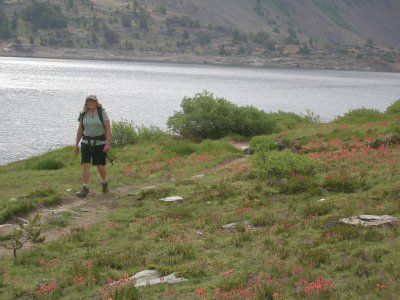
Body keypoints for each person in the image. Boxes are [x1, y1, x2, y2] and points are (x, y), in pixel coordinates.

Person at [75, 95, 111, 197]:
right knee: (85, 165)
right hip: (86, 143)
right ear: (86, 103)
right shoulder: (83, 114)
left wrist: (107, 143)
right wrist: (76, 143)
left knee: (100, 166)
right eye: (89, 101)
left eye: (93, 101)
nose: (91, 103)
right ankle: (85, 188)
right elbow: (80, 129)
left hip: (100, 143)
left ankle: (105, 182)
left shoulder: (102, 113)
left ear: (96, 102)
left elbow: (108, 128)